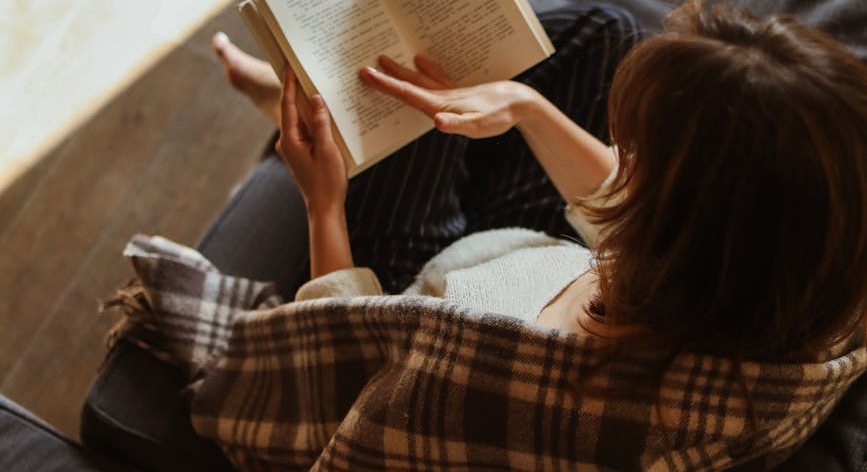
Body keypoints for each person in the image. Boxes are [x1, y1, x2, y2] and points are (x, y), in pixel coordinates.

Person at [189, 0, 867, 468]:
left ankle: (305, 113)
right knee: (603, 33)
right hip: (539, 259)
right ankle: (317, 107)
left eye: (628, 157)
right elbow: (636, 216)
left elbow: (335, 377)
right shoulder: (801, 283)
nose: (613, 163)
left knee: (396, 104)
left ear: (670, 236)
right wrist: (525, 108)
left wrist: (323, 204)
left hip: (418, 291)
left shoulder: (479, 379)